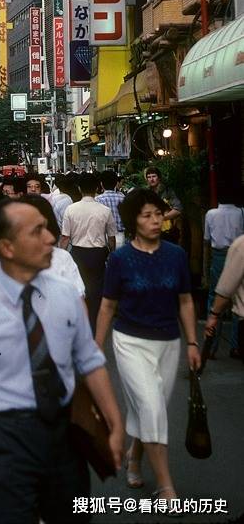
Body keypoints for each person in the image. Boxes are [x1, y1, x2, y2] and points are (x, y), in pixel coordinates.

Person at [0, 197, 124, 524]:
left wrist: (114, 423)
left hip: (65, 429)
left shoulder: (65, 294)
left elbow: (90, 361)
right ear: (7, 247)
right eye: (37, 231)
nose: (50, 238)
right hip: (6, 436)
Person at [95, 187, 201, 502]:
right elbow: (107, 306)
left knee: (151, 407)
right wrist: (96, 347)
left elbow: (185, 301)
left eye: (158, 214)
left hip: (168, 342)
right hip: (130, 342)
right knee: (151, 406)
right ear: (133, 221)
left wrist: (192, 342)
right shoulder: (120, 259)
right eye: (147, 215)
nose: (156, 221)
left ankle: (135, 457)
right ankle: (166, 486)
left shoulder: (175, 255)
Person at [60, 172, 117, 332]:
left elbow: (65, 237)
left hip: (78, 253)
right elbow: (111, 237)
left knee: (79, 288)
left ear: (79, 188)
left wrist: (60, 255)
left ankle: (81, 324)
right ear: (97, 187)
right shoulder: (105, 210)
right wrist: (111, 253)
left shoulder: (71, 209)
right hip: (99, 253)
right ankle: (94, 322)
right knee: (97, 289)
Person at [203, 194, 244, 358]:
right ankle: (236, 346)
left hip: (218, 254)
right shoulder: (241, 212)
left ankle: (211, 346)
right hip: (239, 253)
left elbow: (207, 239)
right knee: (238, 300)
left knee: (215, 297)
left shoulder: (211, 214)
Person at [144, 166, 183, 244]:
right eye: (149, 177)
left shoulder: (167, 191)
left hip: (167, 233)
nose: (151, 179)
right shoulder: (145, 193)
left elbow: (178, 209)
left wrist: (163, 217)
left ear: (159, 178)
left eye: (154, 176)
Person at [96, 170, 126, 250]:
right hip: (121, 236)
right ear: (116, 183)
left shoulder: (98, 200)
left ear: (101, 184)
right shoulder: (123, 198)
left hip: (104, 237)